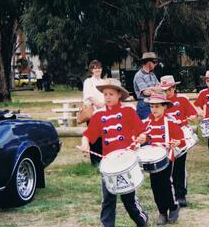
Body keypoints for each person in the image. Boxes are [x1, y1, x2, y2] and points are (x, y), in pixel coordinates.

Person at [79, 78, 148, 227]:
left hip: (125, 161)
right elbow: (88, 134)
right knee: (108, 197)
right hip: (109, 163)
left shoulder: (128, 111)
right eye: (105, 94)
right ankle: (107, 224)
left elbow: (141, 131)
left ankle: (142, 221)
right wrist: (85, 144)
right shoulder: (98, 115)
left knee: (128, 199)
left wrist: (142, 137)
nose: (107, 97)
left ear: (119, 95)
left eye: (111, 94)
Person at [143, 92, 186, 225]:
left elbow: (181, 139)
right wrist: (140, 138)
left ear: (164, 107)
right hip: (151, 159)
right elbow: (140, 136)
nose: (154, 109)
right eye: (151, 106)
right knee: (155, 186)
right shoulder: (146, 122)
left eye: (157, 106)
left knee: (166, 183)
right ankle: (162, 211)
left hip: (167, 157)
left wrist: (177, 142)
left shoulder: (170, 122)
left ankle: (173, 207)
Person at [159, 75, 197, 207]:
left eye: (169, 89)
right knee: (166, 168)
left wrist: (192, 116)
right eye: (164, 90)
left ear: (174, 87)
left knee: (179, 168)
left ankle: (181, 194)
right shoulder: (159, 102)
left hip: (180, 138)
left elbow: (192, 113)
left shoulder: (182, 100)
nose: (167, 93)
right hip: (165, 138)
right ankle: (170, 194)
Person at [82, 60, 105, 165]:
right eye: (95, 68)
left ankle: (103, 160)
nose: (97, 70)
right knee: (94, 138)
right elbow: (89, 96)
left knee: (103, 137)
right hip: (93, 113)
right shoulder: (88, 82)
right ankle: (95, 162)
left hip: (104, 113)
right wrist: (99, 104)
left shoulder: (104, 82)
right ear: (91, 70)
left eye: (99, 67)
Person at [133, 52, 160, 119]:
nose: (156, 64)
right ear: (149, 63)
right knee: (147, 125)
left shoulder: (152, 74)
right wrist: (156, 90)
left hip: (154, 102)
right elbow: (146, 92)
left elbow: (159, 86)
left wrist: (153, 89)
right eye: (155, 62)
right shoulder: (139, 76)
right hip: (144, 105)